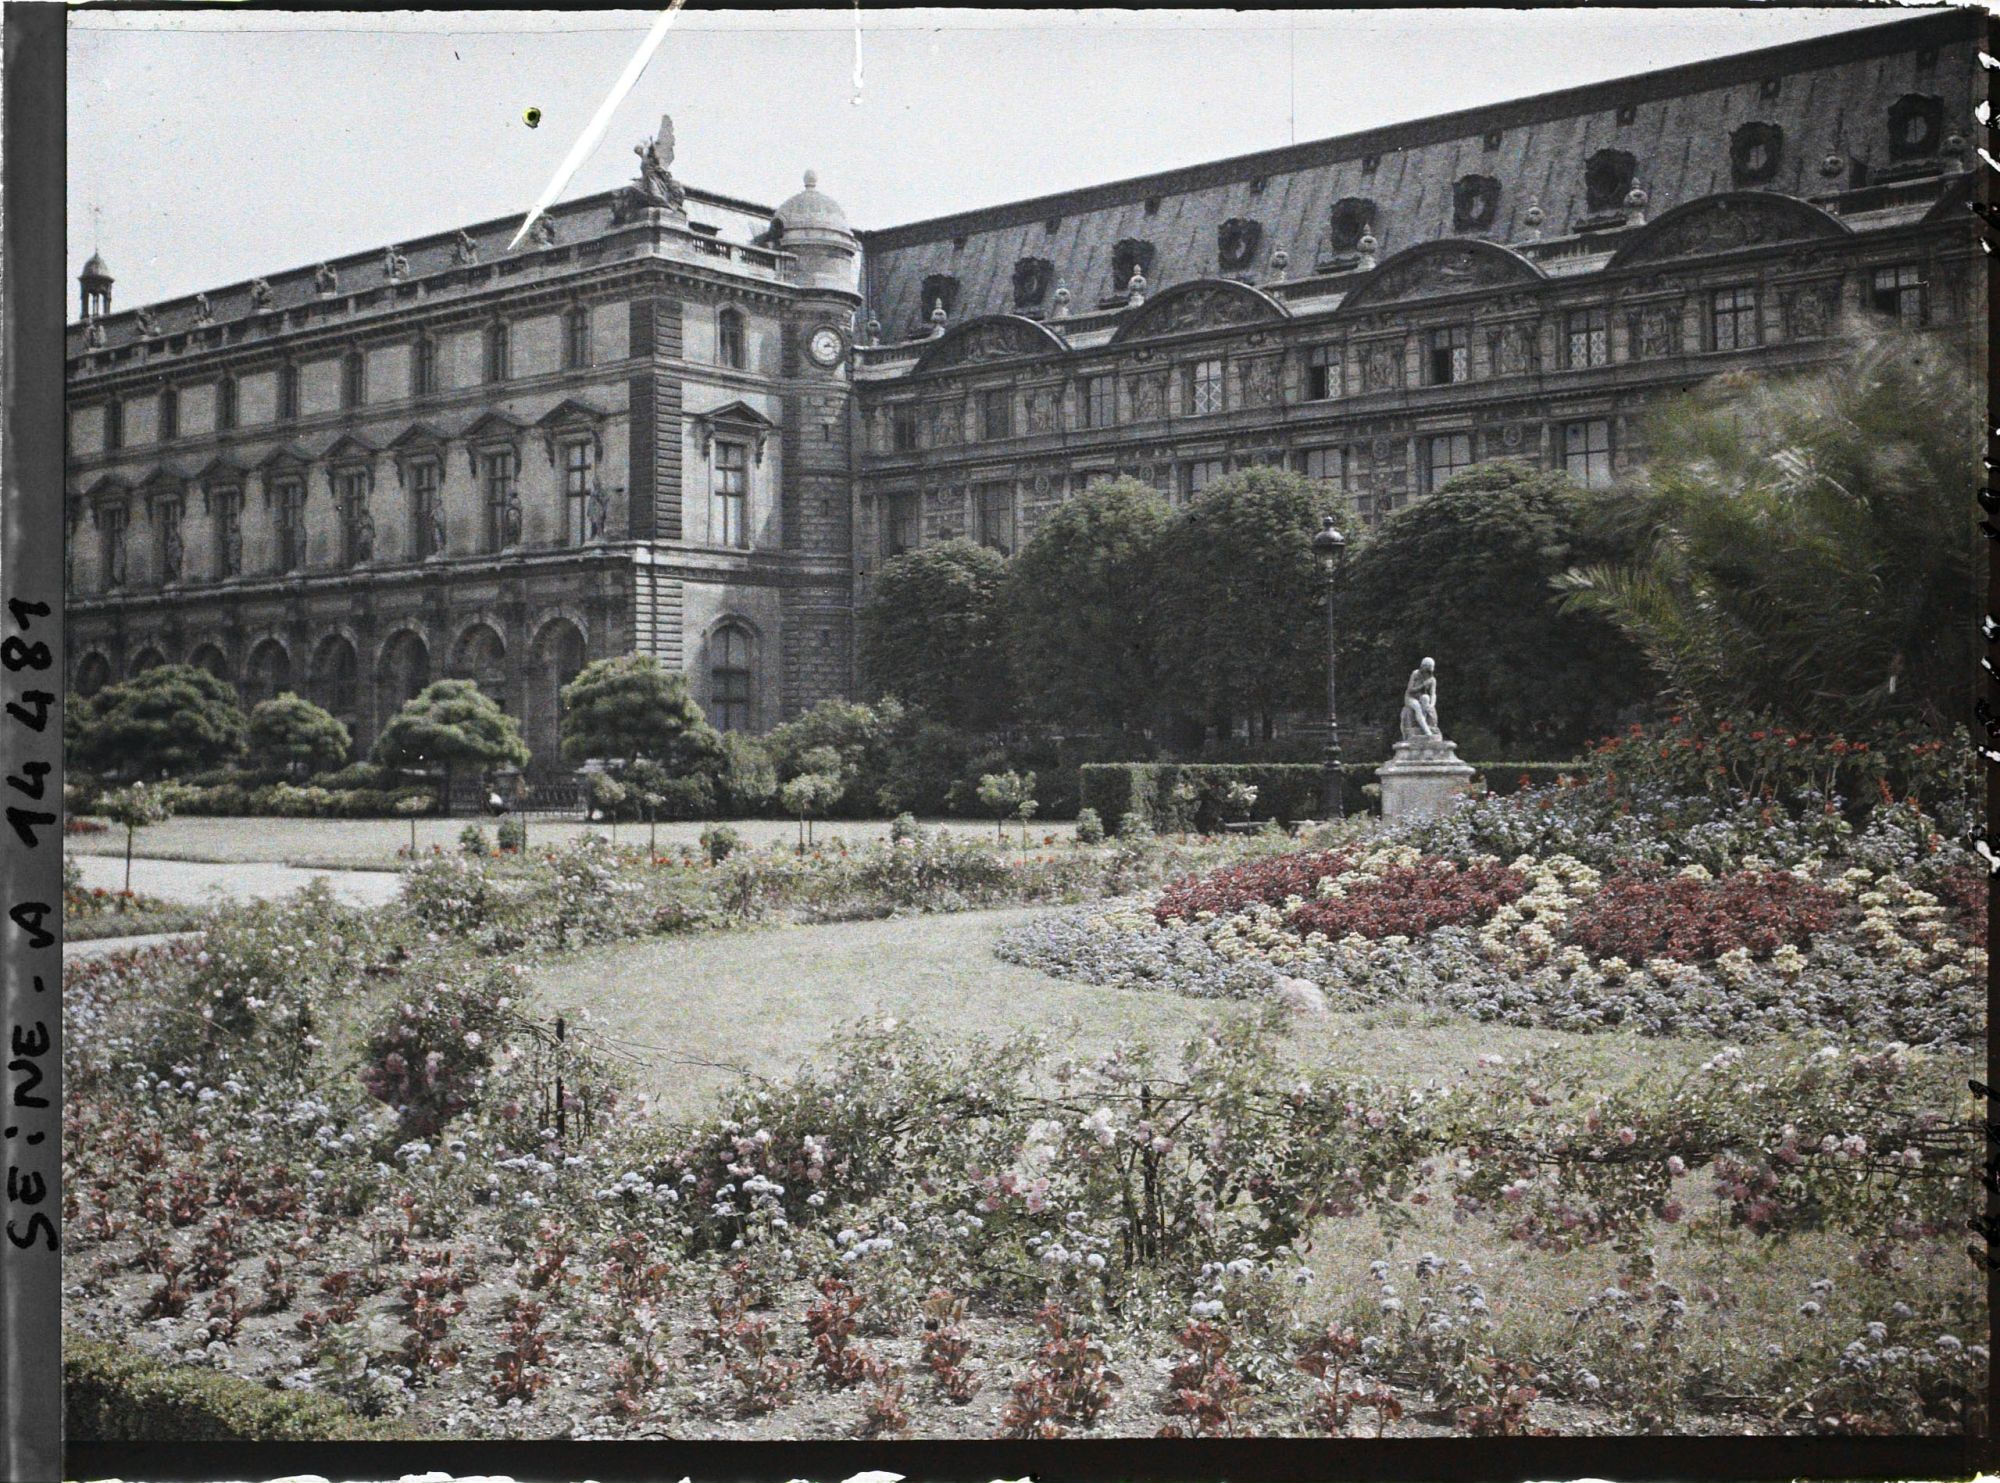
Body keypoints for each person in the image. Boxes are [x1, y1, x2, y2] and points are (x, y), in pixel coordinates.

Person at [1401, 656, 1441, 740]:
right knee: (1417, 707)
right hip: (1410, 698)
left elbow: (1433, 694)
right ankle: (1427, 732)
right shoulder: (1415, 674)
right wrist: (1422, 685)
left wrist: (1432, 705)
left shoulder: (1432, 679)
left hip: (1420, 698)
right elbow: (1410, 690)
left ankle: (1422, 724)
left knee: (1426, 697)